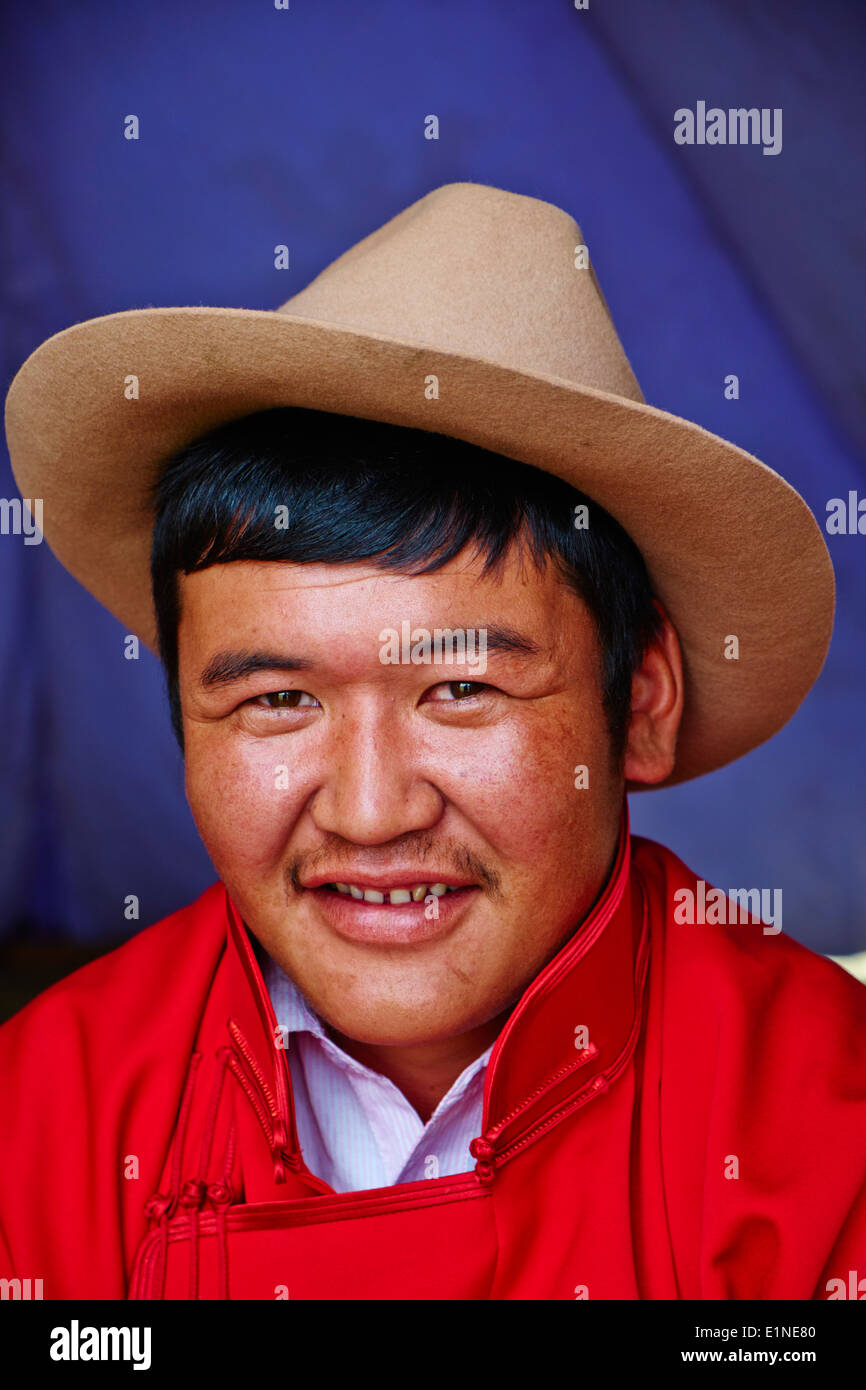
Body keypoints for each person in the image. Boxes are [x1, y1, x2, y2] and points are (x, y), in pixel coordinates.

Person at [2, 182, 864, 1301]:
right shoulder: (43, 1118)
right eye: (276, 700)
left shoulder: (823, 1130)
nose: (370, 812)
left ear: (638, 701)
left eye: (459, 687)